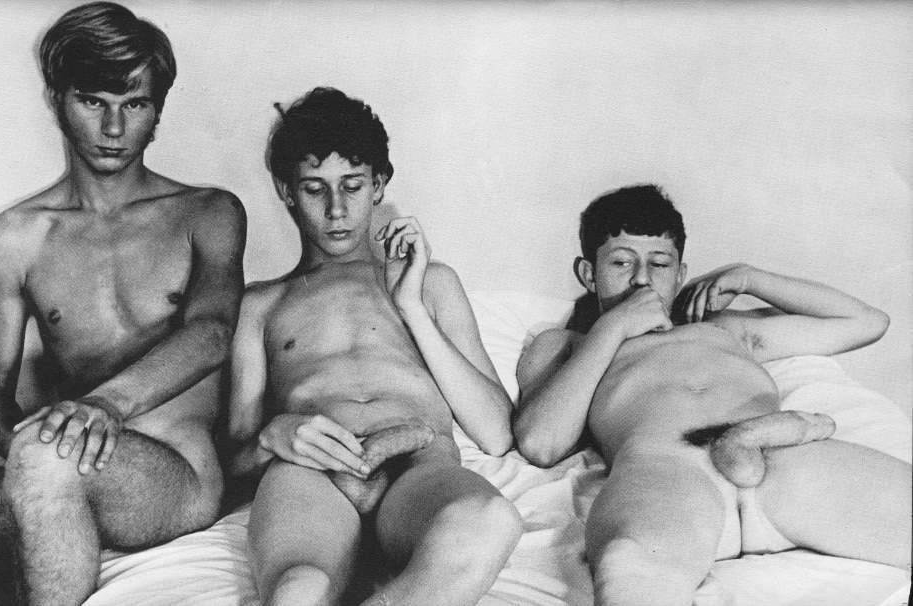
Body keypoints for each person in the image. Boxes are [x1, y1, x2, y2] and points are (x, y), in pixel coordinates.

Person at [0, 3, 246, 604]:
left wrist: (100, 407)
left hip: (172, 477)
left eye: (135, 104)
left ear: (158, 112)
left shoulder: (207, 213)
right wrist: (34, 449)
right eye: (93, 101)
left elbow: (213, 332)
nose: (114, 127)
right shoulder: (13, 237)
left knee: (47, 459)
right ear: (57, 101)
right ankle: (49, 513)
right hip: (61, 464)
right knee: (42, 462)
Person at [513, 184, 911, 606]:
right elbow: (541, 443)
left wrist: (750, 277)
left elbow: (867, 322)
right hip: (667, 470)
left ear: (680, 274)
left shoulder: (722, 329)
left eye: (659, 264)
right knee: (632, 571)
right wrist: (613, 328)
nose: (642, 278)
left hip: (779, 456)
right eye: (621, 262)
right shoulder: (569, 345)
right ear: (589, 274)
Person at [227, 87, 521, 606]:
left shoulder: (430, 284)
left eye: (353, 185)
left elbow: (496, 433)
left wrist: (410, 306)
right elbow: (233, 460)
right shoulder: (261, 304)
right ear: (286, 191)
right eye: (315, 189)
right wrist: (273, 436)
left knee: (490, 520)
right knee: (297, 591)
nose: (336, 209)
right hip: (311, 473)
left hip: (418, 465)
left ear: (379, 184)